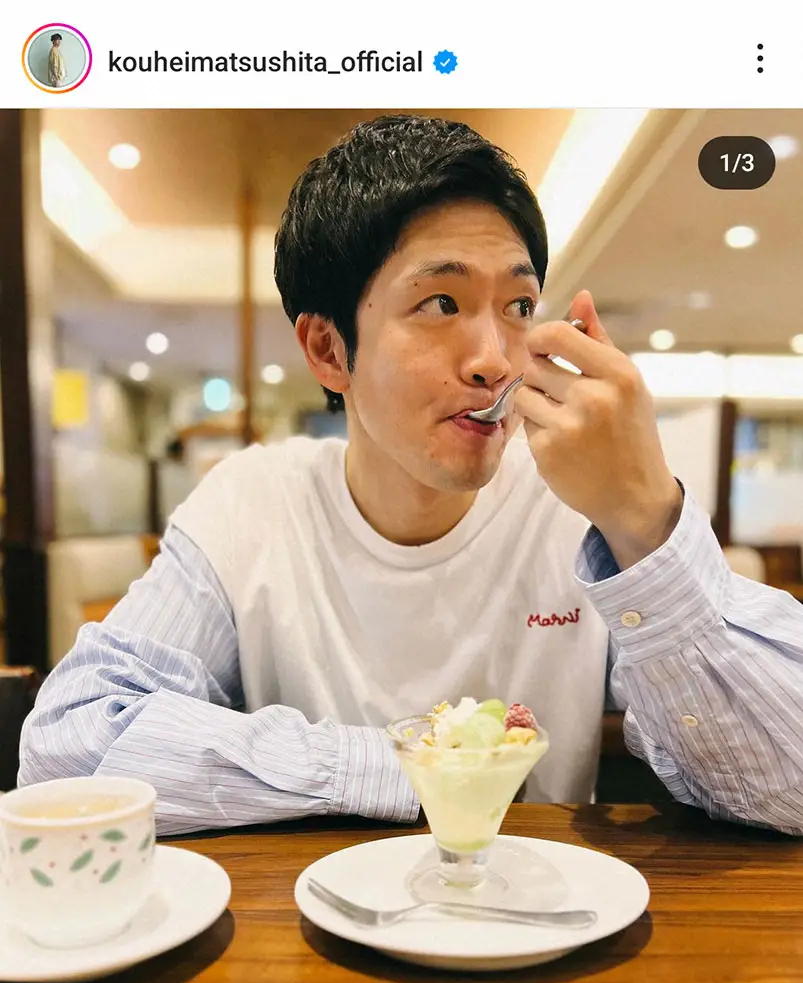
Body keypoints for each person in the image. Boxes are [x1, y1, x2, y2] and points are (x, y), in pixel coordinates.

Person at [17, 115, 803, 837]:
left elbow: (788, 787)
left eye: (518, 306)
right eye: (440, 303)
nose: (494, 359)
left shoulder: (578, 509)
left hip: (541, 921)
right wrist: (415, 766)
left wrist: (643, 519)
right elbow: (70, 746)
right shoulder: (251, 503)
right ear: (329, 351)